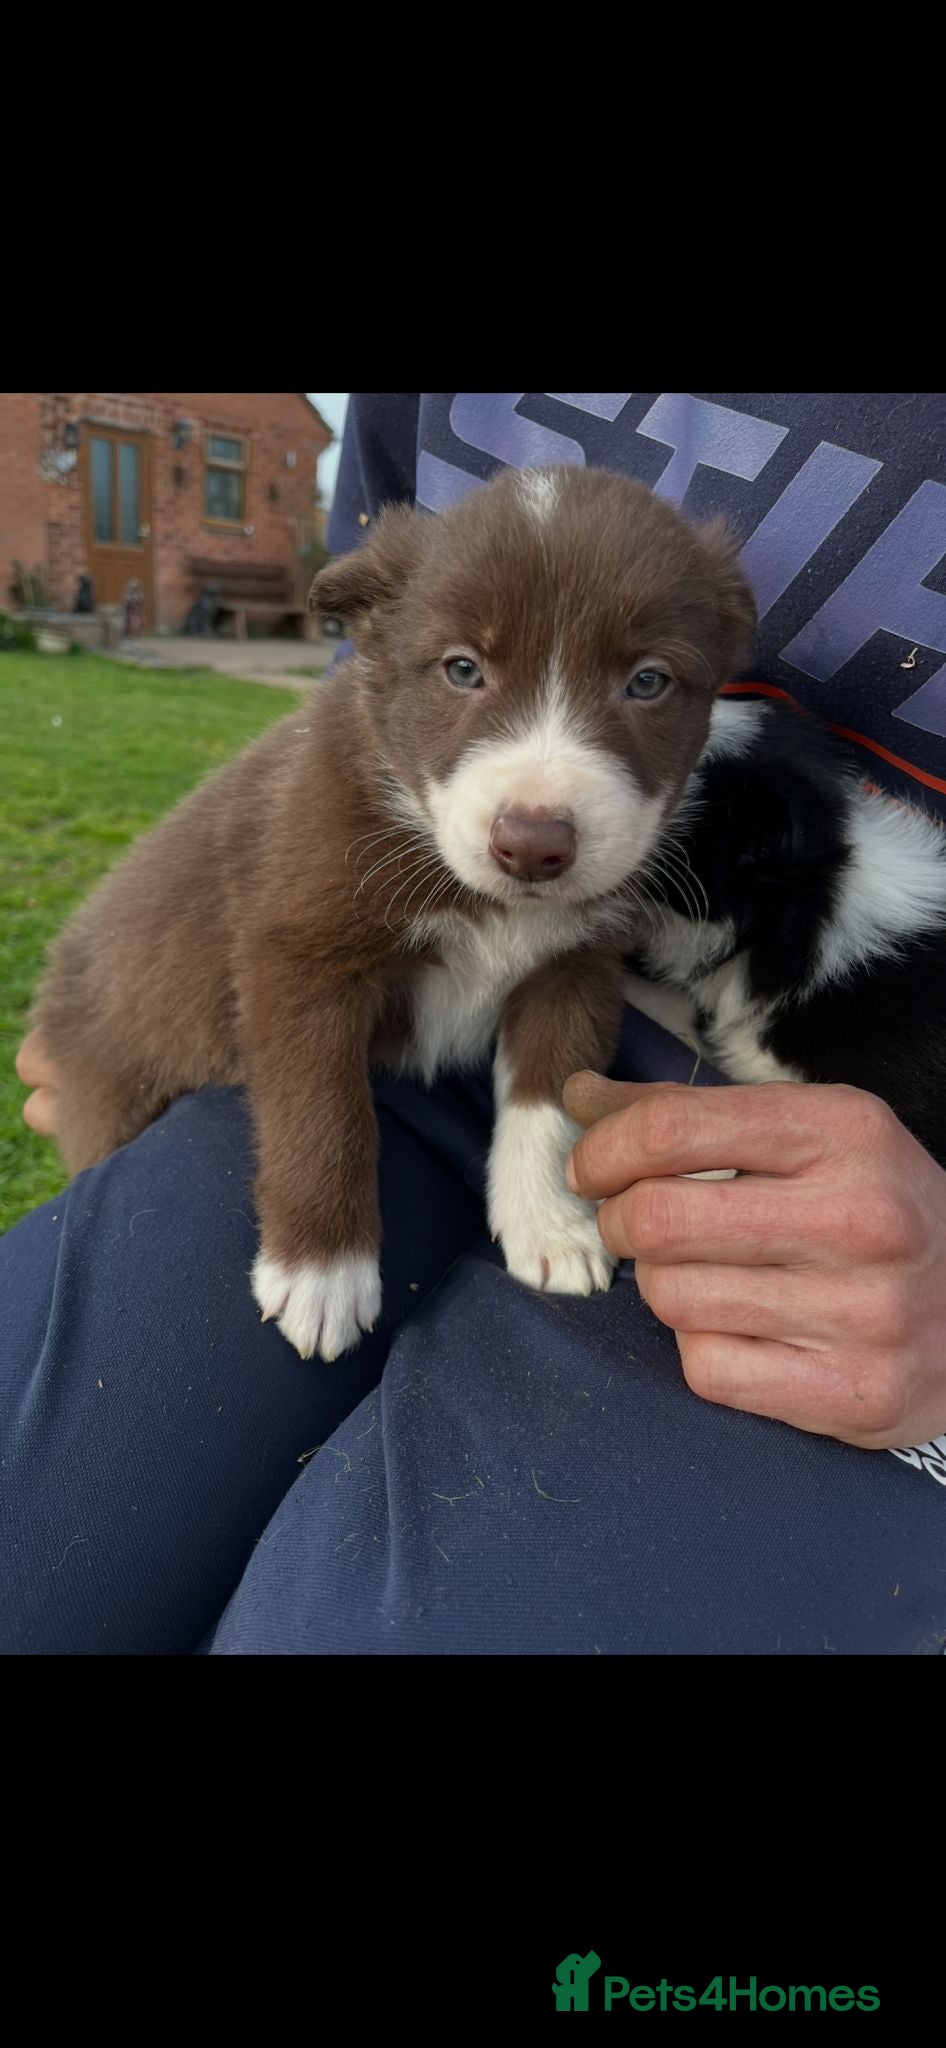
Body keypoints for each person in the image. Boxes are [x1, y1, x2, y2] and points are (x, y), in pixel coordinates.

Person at [4, 392, 946, 1656]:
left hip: (831, 1184)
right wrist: (160, 1071)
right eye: (468, 668)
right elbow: (315, 865)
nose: (540, 790)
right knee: (48, 1528)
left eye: (648, 680)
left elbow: (568, 956)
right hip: (347, 1076)